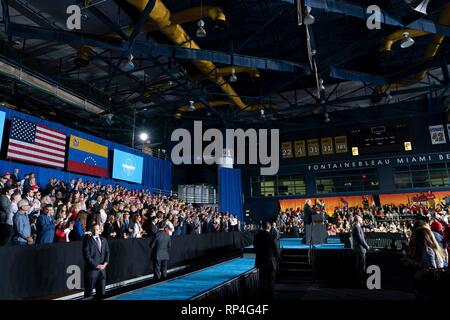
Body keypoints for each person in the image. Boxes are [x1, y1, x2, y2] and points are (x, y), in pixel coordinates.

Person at [82, 223, 110, 299]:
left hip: (102, 271)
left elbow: (107, 252)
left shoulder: (104, 240)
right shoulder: (87, 241)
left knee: (102, 294)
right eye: (94, 229)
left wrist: (105, 263)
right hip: (91, 272)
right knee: (89, 294)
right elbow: (87, 257)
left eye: (97, 229)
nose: (95, 231)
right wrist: (96, 265)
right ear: (91, 230)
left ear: (100, 230)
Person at [253, 222, 279, 299]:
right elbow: (276, 251)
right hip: (271, 263)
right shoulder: (272, 236)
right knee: (270, 283)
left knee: (262, 282)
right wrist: (277, 261)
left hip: (260, 263)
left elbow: (255, 249)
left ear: (262, 227)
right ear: (269, 227)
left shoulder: (257, 236)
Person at [351, 215, 370, 285]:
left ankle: (360, 281)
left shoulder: (356, 226)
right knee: (361, 266)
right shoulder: (356, 227)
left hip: (358, 248)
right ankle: (361, 281)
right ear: (358, 220)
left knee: (359, 266)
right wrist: (366, 246)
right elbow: (360, 239)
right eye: (361, 219)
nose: (362, 220)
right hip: (360, 249)